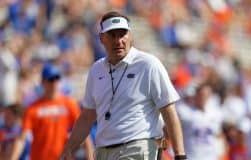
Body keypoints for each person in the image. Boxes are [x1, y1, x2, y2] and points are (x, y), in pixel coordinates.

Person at [60, 11, 186, 160]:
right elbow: (87, 116)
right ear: (102, 38)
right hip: (104, 152)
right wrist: (69, 148)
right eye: (112, 35)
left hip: (137, 148)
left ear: (130, 35)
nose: (118, 40)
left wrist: (179, 154)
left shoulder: (148, 65)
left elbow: (168, 109)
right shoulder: (96, 70)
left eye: (122, 34)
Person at [9, 63, 94, 160]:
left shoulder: (69, 104)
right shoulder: (33, 108)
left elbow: (83, 132)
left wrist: (90, 157)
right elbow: (21, 138)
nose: (54, 83)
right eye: (50, 79)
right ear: (43, 82)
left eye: (56, 78)